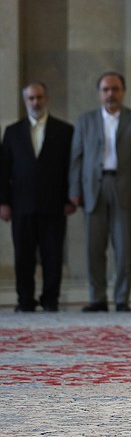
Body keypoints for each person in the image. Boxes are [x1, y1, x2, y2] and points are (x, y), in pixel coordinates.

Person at [69, 72, 131, 312]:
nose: (110, 94)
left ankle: (122, 298)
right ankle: (97, 298)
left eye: (115, 89)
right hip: (93, 187)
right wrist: (74, 189)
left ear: (123, 91)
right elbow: (76, 158)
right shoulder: (86, 121)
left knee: (124, 247)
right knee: (94, 247)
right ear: (99, 93)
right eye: (105, 89)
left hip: (124, 187)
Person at [0, 82, 75, 312]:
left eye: (39, 97)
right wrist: (3, 202)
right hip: (21, 204)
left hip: (54, 204)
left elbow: (70, 167)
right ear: (25, 101)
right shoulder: (13, 132)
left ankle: (50, 299)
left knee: (52, 254)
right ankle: (25, 300)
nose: (35, 102)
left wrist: (70, 198)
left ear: (46, 98)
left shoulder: (64, 130)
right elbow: (4, 170)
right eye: (31, 98)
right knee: (24, 255)